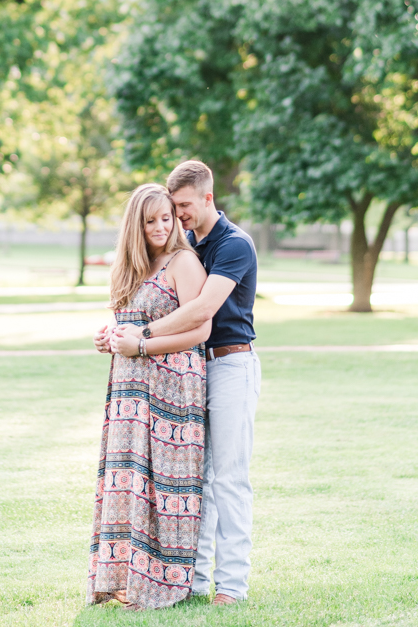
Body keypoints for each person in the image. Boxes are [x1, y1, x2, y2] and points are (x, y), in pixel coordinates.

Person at [112, 160, 259, 607]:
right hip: (190, 372)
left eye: (183, 206)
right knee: (196, 479)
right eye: (172, 208)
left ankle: (231, 586)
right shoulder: (186, 244)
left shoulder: (235, 245)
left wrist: (143, 336)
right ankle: (193, 582)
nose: (177, 216)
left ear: (208, 197)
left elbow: (201, 313)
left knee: (229, 478)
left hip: (231, 365)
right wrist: (120, 331)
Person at [88, 183, 211, 611]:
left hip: (173, 386)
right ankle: (122, 580)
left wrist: (139, 345)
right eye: (150, 220)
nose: (160, 227)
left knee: (165, 486)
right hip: (129, 389)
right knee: (129, 480)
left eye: (166, 217)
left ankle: (164, 583)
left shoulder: (184, 262)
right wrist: (109, 336)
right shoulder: (130, 267)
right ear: (135, 225)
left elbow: (200, 331)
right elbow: (127, 320)